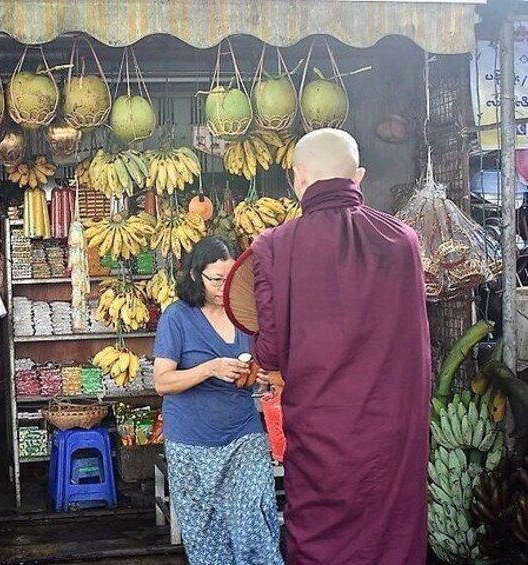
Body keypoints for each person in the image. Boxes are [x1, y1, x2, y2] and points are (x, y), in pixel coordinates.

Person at [247, 128, 431, 564]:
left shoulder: (274, 246)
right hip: (393, 432)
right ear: (359, 177)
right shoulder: (403, 239)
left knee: (321, 540)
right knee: (392, 534)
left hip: (322, 432)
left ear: (298, 178)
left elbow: (269, 353)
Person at [152, 236, 283, 565]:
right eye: (216, 279)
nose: (223, 287)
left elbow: (267, 365)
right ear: (196, 275)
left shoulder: (247, 315)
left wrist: (263, 375)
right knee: (206, 531)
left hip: (243, 434)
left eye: (230, 279)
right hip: (191, 443)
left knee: (255, 518)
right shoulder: (177, 318)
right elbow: (162, 382)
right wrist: (210, 368)